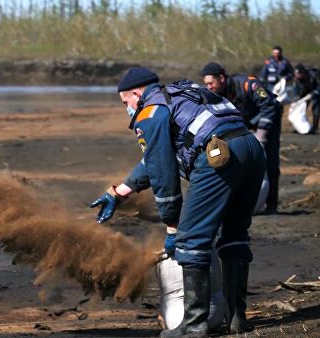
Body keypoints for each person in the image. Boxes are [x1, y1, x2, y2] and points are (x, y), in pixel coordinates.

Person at [90, 67, 265, 337]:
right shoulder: (184, 93)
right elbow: (156, 159)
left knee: (191, 240)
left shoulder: (150, 112)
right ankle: (237, 318)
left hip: (219, 156)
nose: (127, 108)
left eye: (126, 103)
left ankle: (194, 325)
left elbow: (163, 173)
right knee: (234, 235)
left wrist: (173, 225)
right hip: (251, 150)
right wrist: (118, 192)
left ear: (137, 94)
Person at [202, 62, 281, 214]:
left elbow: (269, 106)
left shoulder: (248, 84)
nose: (209, 87)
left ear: (222, 78)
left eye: (211, 83)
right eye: (206, 84)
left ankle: (272, 205)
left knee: (269, 161)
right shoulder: (214, 94)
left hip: (269, 118)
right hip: (245, 119)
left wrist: (262, 135)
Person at [292, 63, 320, 134]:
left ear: (303, 73)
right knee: (299, 108)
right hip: (304, 91)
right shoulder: (296, 78)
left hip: (315, 90)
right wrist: (297, 98)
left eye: (299, 74)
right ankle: (299, 127)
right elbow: (295, 90)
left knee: (316, 108)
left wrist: (313, 94)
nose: (297, 76)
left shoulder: (314, 75)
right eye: (296, 74)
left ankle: (315, 128)